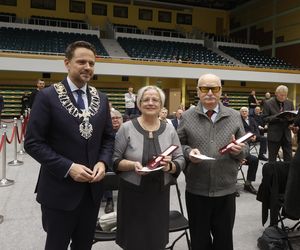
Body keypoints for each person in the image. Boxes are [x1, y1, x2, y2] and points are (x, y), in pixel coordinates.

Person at [24, 41, 115, 250]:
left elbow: (108, 138)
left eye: (91, 63)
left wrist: (103, 161)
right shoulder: (47, 96)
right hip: (59, 191)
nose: (87, 67)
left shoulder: (101, 99)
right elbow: (33, 142)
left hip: (92, 191)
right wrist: (68, 167)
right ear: (67, 63)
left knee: (84, 246)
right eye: (81, 61)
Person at [177, 73, 248, 250]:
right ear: (198, 91)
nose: (209, 92)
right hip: (196, 189)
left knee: (224, 240)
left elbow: (244, 146)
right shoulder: (186, 116)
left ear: (220, 91)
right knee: (199, 240)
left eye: (214, 88)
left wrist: (240, 150)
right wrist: (187, 152)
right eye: (204, 88)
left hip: (226, 189)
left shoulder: (234, 115)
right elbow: (178, 145)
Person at [112, 85, 185, 250]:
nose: (150, 103)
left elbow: (180, 157)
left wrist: (170, 166)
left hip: (159, 194)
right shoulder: (126, 128)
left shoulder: (170, 129)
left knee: (156, 239)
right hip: (132, 193)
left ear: (161, 105)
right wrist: (132, 164)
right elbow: (115, 160)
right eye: (146, 99)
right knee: (133, 240)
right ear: (138, 104)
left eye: (155, 100)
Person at [263, 85, 294, 162]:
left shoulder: (289, 103)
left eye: (285, 95)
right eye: (281, 95)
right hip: (274, 135)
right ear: (276, 93)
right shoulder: (268, 103)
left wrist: (292, 121)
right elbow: (264, 118)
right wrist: (277, 116)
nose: (283, 97)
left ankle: (287, 174)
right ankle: (272, 174)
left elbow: (293, 116)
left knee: (288, 158)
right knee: (272, 159)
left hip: (286, 134)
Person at [103, 109, 123, 214]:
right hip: (110, 161)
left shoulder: (126, 131)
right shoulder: (104, 133)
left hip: (125, 160)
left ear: (122, 119)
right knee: (107, 163)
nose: (115, 120)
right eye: (112, 118)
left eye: (117, 118)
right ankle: (109, 199)